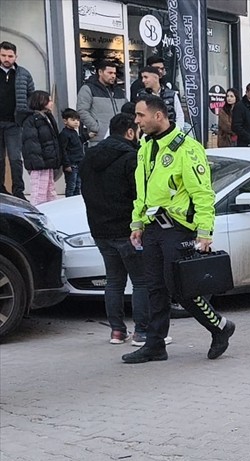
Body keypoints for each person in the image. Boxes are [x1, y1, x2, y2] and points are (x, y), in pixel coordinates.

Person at [123, 96, 235, 364]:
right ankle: (155, 345)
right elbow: (143, 190)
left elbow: (203, 194)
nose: (136, 121)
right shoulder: (145, 147)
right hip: (152, 228)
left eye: (140, 116)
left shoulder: (187, 148)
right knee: (154, 288)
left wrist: (205, 232)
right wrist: (137, 223)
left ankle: (220, 327)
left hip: (178, 229)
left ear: (158, 116)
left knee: (183, 289)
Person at [81, 113, 148, 345]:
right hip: (127, 229)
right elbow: (138, 194)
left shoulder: (89, 156)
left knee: (114, 281)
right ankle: (142, 332)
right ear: (130, 132)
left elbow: (84, 191)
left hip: (100, 229)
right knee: (141, 281)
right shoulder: (132, 157)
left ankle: (117, 332)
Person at [0, 41, 35, 201]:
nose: (7, 59)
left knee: (15, 158)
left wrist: (26, 113)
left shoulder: (24, 74)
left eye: (10, 56)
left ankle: (18, 191)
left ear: (16, 56)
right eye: (3, 55)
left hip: (15, 123)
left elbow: (31, 96)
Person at [20, 90, 59, 206]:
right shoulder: (31, 120)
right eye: (49, 100)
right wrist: (38, 162)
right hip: (39, 164)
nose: (52, 103)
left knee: (50, 190)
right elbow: (31, 143)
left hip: (47, 161)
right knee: (39, 192)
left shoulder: (47, 117)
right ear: (41, 102)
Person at [77, 60, 127, 147]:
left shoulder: (119, 91)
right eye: (110, 73)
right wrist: (95, 128)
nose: (113, 76)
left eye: (114, 73)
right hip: (99, 140)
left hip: (120, 138)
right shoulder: (88, 89)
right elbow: (82, 110)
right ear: (100, 72)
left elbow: (126, 110)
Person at [58, 108, 85, 197]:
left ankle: (75, 202)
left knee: (78, 185)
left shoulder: (74, 132)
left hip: (78, 163)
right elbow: (63, 150)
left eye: (77, 120)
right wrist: (66, 164)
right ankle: (69, 202)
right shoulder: (64, 134)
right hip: (71, 164)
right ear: (65, 121)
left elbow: (78, 142)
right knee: (71, 186)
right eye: (73, 120)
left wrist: (87, 136)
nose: (76, 122)